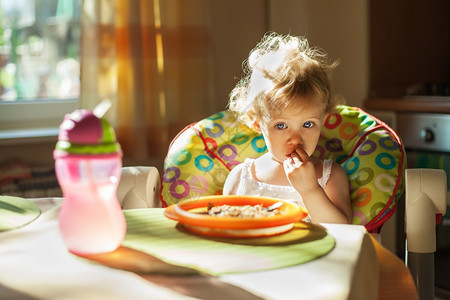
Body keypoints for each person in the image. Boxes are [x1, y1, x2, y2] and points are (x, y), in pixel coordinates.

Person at [223, 32, 352, 224]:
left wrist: (310, 190)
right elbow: (226, 230)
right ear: (257, 122)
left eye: (308, 124)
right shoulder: (241, 177)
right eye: (281, 125)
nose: (295, 139)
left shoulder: (330, 176)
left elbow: (344, 232)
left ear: (323, 120)